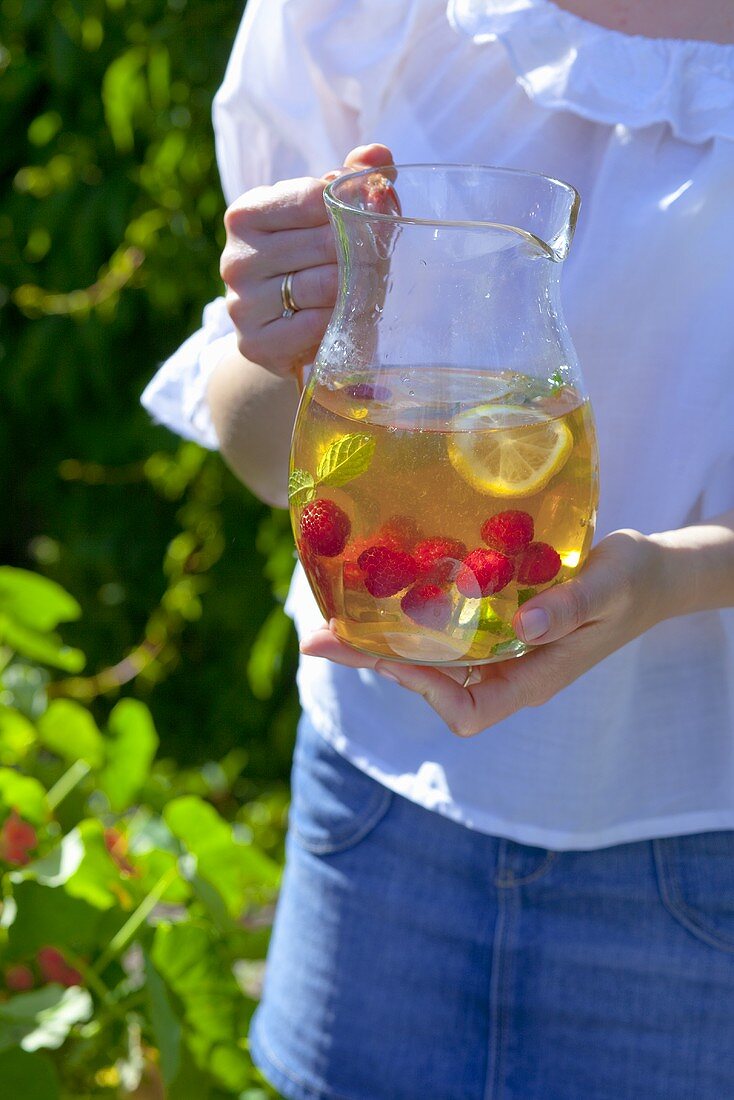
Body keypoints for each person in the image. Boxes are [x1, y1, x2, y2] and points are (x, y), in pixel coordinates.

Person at [142, 1, 734, 1096]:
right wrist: (290, 352)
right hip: (375, 811)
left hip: (701, 842)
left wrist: (676, 575)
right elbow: (268, 434)